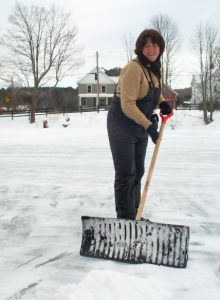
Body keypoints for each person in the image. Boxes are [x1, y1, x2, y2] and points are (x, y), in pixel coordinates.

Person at [107, 29, 172, 220]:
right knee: (126, 173)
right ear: (140, 48)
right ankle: (125, 219)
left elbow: (151, 91)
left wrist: (162, 102)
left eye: (155, 45)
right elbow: (127, 105)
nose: (151, 49)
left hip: (140, 125)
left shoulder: (153, 69)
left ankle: (135, 214)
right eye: (147, 45)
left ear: (160, 47)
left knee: (138, 172)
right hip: (122, 124)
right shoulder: (133, 68)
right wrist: (149, 126)